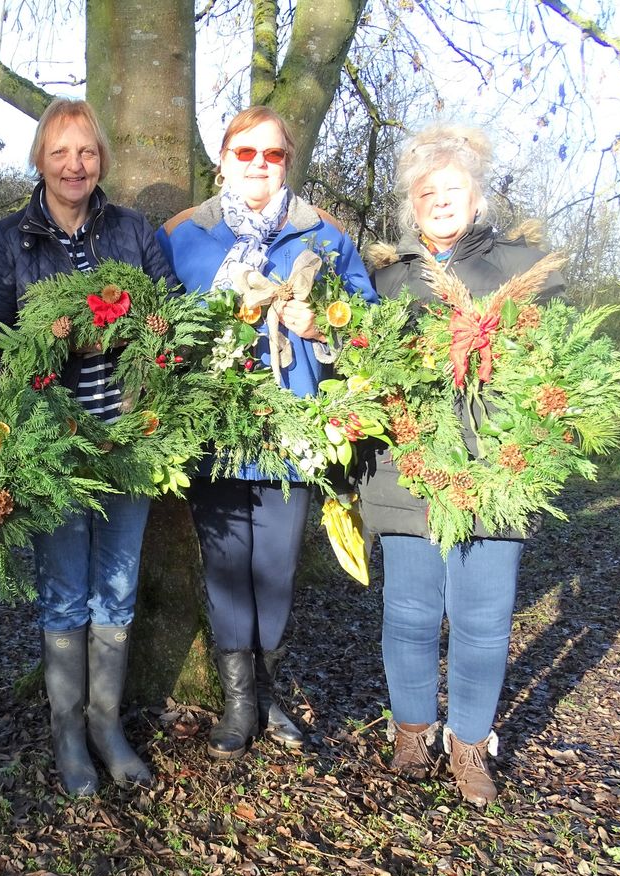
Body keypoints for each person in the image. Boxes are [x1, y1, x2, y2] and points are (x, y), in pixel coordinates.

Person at [157, 106, 377, 761]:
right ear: (223, 159)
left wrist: (321, 327)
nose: (259, 164)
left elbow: (369, 326)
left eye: (272, 154)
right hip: (216, 429)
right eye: (245, 152)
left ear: (287, 162)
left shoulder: (323, 237)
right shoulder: (185, 236)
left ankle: (268, 691)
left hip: (295, 433)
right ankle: (238, 704)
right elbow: (157, 327)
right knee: (227, 569)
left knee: (275, 569)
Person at [0, 98, 175, 796]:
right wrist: (42, 363)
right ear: (39, 160)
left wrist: (134, 342)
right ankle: (67, 734)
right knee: (64, 595)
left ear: (101, 161)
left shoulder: (133, 231)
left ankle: (105, 724)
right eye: (60, 152)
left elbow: (167, 315)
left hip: (128, 441)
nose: (73, 164)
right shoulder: (9, 240)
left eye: (85, 151)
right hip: (53, 449)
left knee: (115, 590)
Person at [360, 125, 564, 806]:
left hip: (494, 470)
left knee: (484, 615)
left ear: (476, 199)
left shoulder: (518, 266)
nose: (440, 200)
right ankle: (412, 730)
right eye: (427, 192)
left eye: (453, 189)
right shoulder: (386, 277)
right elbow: (356, 363)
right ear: (411, 206)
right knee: (411, 611)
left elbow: (557, 359)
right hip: (408, 463)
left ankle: (471, 743)